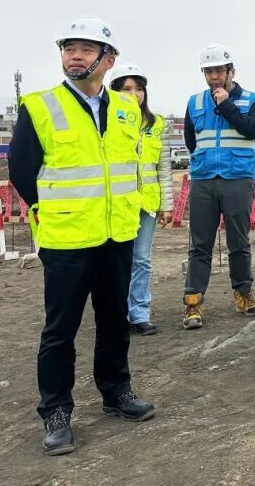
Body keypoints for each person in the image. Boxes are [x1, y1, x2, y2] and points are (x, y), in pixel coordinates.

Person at [9, 18, 156, 456]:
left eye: (86, 49)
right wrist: (59, 210)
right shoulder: (40, 106)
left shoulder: (128, 108)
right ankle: (56, 412)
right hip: (67, 239)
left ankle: (117, 391)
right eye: (69, 48)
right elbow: (22, 171)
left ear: (108, 60)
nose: (75, 56)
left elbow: (130, 165)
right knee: (61, 329)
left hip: (117, 234)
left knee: (115, 320)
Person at [182, 44, 255, 329]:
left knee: (239, 242)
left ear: (231, 71)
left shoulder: (252, 99)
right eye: (209, 72)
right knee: (200, 245)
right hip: (204, 179)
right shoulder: (194, 102)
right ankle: (193, 303)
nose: (214, 77)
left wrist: (227, 106)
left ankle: (243, 294)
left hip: (237, 179)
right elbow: (191, 142)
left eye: (219, 70)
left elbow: (253, 130)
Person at [108, 63, 174, 336]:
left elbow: (163, 167)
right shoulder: (106, 121)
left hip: (146, 203)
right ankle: (116, 313)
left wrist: (166, 204)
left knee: (142, 259)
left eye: (138, 89)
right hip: (117, 203)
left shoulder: (156, 124)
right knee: (116, 260)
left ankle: (139, 313)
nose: (134, 94)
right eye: (126, 89)